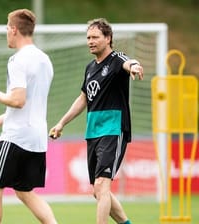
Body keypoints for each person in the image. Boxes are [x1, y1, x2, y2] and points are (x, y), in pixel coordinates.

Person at [50, 18, 144, 224]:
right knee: (98, 190)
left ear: (108, 38)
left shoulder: (117, 59)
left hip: (113, 127)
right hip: (93, 131)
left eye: (95, 37)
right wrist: (61, 123)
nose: (90, 41)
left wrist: (135, 67)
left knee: (102, 184)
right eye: (88, 37)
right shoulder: (90, 67)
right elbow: (83, 98)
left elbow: (129, 62)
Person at [0, 9, 57, 224]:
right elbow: (31, 103)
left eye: (6, 28)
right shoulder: (45, 60)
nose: (6, 33)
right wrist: (2, 118)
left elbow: (18, 100)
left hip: (16, 137)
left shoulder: (18, 60)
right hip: (37, 138)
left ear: (14, 29)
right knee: (24, 191)